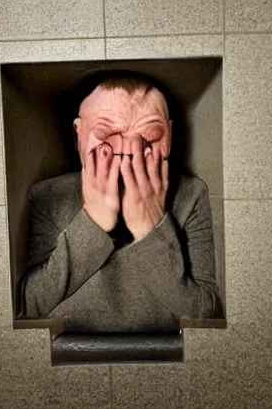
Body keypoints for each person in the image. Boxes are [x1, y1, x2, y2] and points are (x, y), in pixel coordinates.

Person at [19, 71, 222, 332]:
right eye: (106, 138)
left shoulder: (191, 195)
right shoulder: (49, 197)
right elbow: (30, 306)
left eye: (148, 138)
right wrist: (93, 222)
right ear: (78, 135)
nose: (128, 154)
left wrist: (152, 229)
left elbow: (206, 315)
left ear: (169, 135)